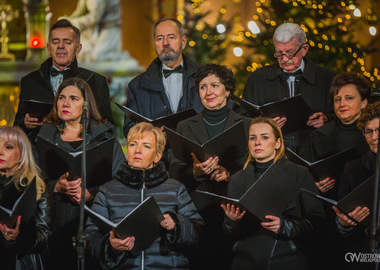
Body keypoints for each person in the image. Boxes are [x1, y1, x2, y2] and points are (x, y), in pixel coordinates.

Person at [85, 122, 203, 269]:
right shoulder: (107, 190)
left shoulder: (176, 188)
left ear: (157, 156)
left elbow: (198, 232)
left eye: (146, 146)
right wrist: (111, 246)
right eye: (133, 144)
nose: (138, 151)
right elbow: (90, 236)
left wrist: (177, 224)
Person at [36, 77, 125, 270]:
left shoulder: (104, 136)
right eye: (61, 97)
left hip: (92, 220)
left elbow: (120, 178)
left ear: (86, 105)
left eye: (73, 98)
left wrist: (91, 192)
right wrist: (55, 186)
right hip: (55, 220)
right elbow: (31, 181)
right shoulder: (44, 135)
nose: (65, 103)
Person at [169, 64, 251, 270]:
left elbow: (256, 169)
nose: (209, 92)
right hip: (198, 211)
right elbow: (174, 171)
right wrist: (194, 172)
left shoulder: (248, 124)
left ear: (228, 90)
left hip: (236, 209)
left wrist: (229, 175)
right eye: (203, 87)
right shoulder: (185, 126)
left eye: (215, 85)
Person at [222, 117, 325, 270]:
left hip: (287, 257)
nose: (257, 142)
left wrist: (285, 227)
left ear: (277, 143)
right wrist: (232, 221)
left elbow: (318, 221)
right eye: (252, 138)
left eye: (264, 137)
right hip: (246, 259)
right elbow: (228, 232)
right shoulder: (237, 179)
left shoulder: (298, 173)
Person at [14, 19, 113, 143]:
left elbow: (108, 126)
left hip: (81, 152)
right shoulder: (30, 81)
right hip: (39, 152)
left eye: (67, 42)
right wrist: (25, 122)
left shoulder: (95, 81)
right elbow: (17, 124)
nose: (61, 46)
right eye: (55, 42)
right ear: (49, 47)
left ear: (78, 48)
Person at [242, 22, 335, 152]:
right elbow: (243, 118)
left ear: (304, 49)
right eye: (279, 54)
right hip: (272, 156)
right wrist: (265, 125)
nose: (285, 59)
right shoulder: (257, 79)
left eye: (290, 53)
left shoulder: (327, 78)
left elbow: (343, 117)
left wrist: (326, 120)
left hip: (315, 152)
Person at [123, 18, 204, 137]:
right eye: (160, 38)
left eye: (171, 37)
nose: (165, 43)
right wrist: (151, 134)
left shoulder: (205, 78)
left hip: (194, 155)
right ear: (155, 44)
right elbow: (129, 130)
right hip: (158, 154)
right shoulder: (136, 86)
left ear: (183, 41)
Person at [299, 72, 371, 193]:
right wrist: (313, 184)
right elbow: (300, 173)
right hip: (326, 203)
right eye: (337, 99)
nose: (342, 104)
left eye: (349, 98)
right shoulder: (317, 136)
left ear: (364, 103)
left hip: (365, 203)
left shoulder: (374, 135)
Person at [332, 101, 379, 269]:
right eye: (368, 131)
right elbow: (339, 230)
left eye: (378, 130)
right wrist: (343, 224)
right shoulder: (352, 169)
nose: (374, 137)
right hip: (362, 256)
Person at [0, 126, 50, 270]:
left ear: (22, 155)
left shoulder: (37, 186)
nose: (0, 151)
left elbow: (44, 234)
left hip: (20, 262)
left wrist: (19, 237)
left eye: (8, 147)